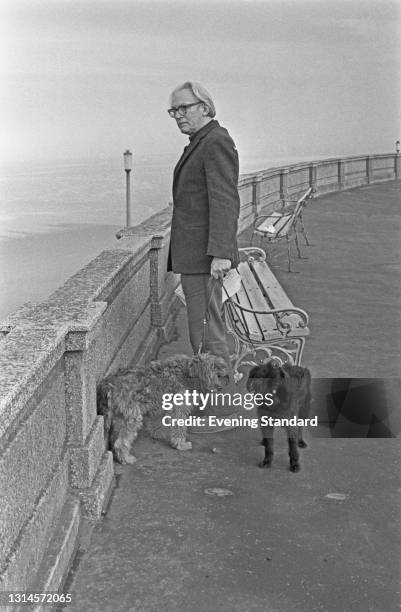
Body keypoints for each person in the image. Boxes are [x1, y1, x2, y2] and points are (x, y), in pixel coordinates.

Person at [167, 81, 240, 376]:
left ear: (204, 107)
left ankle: (220, 407)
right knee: (203, 329)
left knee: (208, 332)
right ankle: (215, 398)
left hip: (205, 259)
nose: (178, 115)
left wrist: (221, 254)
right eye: (173, 110)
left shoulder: (215, 141)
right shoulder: (201, 142)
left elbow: (225, 200)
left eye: (183, 107)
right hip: (198, 257)